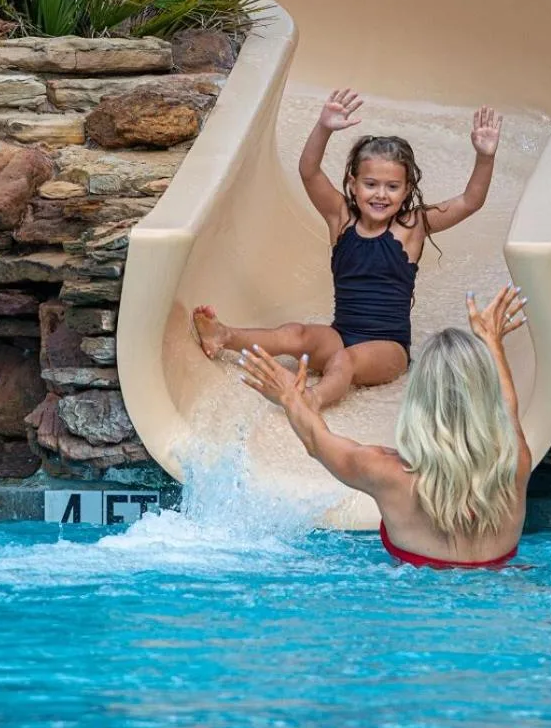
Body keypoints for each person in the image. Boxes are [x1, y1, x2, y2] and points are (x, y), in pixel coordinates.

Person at [193, 88, 503, 410]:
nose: (380, 194)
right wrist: (324, 128)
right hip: (340, 334)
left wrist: (485, 156)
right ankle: (225, 335)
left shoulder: (413, 226)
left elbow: (470, 201)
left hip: (388, 349)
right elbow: (309, 172)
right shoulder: (340, 218)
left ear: (407, 190)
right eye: (370, 184)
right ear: (353, 185)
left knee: (344, 361)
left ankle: (311, 399)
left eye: (392, 187)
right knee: (296, 333)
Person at [239, 286, 531, 569]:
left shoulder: (386, 473)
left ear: (418, 400)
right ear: (485, 398)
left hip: (412, 598)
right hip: (504, 595)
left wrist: (290, 398)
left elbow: (316, 440)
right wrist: (492, 343)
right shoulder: (516, 463)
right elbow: (508, 411)